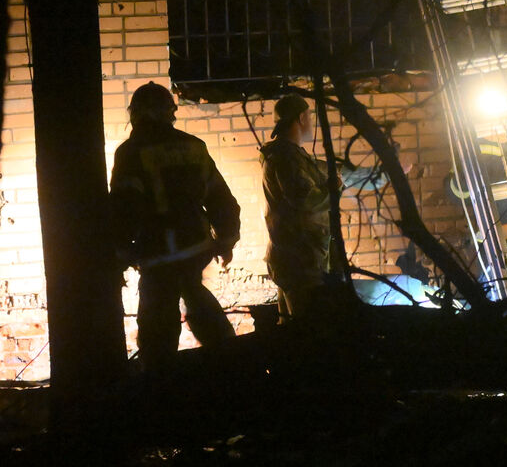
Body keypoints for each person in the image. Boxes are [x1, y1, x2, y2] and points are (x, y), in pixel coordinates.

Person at [109, 81, 241, 369]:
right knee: (200, 304)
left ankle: (160, 383)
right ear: (169, 112)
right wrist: (226, 240)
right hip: (196, 249)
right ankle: (234, 367)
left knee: (157, 334)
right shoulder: (194, 147)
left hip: (157, 256)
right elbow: (221, 200)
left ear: (136, 113)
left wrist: (120, 255)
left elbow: (124, 209)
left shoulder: (130, 153)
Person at [261, 93, 391, 320]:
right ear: (302, 118)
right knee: (308, 326)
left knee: (291, 329)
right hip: (300, 262)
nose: (311, 123)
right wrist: (335, 188)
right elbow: (307, 200)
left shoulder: (293, 156)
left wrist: (385, 173)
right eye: (310, 117)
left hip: (296, 258)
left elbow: (338, 173)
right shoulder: (286, 158)